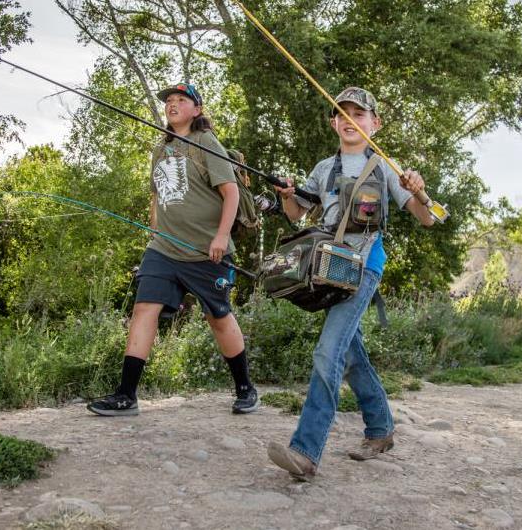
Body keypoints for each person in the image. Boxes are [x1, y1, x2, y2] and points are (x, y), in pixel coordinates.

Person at [266, 87, 434, 479]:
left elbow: (427, 219)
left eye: (359, 114)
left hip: (364, 268)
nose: (350, 120)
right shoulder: (324, 169)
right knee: (350, 351)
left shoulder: (389, 169)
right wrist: (288, 195)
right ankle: (380, 429)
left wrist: (419, 191)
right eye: (342, 113)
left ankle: (305, 453)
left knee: (328, 353)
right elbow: (295, 214)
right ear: (333, 123)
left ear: (374, 123)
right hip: (326, 270)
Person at [87, 83, 259, 416]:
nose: (172, 104)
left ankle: (245, 388)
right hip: (164, 248)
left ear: (197, 110)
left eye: (181, 99)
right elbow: (156, 195)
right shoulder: (159, 149)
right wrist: (154, 229)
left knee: (218, 317)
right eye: (169, 100)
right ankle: (126, 395)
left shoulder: (207, 143)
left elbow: (232, 194)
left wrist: (221, 237)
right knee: (143, 309)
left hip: (206, 251)